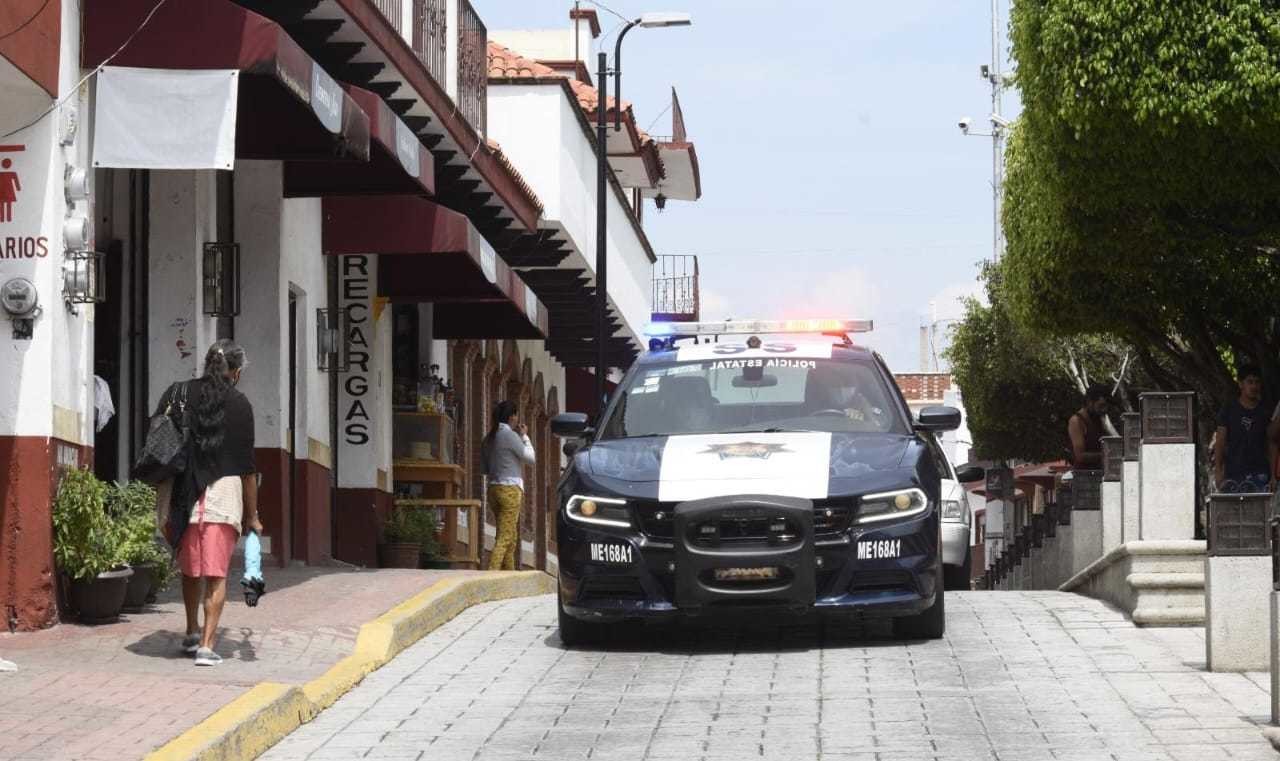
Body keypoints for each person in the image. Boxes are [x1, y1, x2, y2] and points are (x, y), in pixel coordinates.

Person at [162, 340, 261, 666]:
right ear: (235, 372)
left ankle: (191, 631)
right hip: (223, 497)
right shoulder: (240, 404)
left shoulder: (182, 393)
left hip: (185, 496)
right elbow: (247, 469)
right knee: (216, 576)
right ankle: (206, 646)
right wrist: (253, 516)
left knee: (190, 571)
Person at [481, 400, 535, 571]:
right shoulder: (510, 435)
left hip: (493, 489)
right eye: (516, 414)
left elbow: (484, 468)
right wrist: (525, 436)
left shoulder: (489, 438)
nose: (517, 418)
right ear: (512, 416)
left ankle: (509, 573)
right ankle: (492, 573)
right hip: (510, 490)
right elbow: (530, 458)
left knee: (511, 536)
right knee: (505, 537)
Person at [1216, 364, 1270, 493]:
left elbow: (1271, 444)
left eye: (1257, 382)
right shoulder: (1229, 409)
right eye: (1249, 382)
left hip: (1260, 474)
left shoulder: (1265, 411)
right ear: (1240, 384)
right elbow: (1220, 441)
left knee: (1259, 512)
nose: (1254, 386)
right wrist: (1218, 471)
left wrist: (1273, 476)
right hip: (1233, 474)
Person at [1068, 384, 1110, 468]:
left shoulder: (1099, 419)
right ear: (1089, 402)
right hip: (1084, 475)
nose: (1104, 410)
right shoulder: (1077, 421)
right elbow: (1080, 456)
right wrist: (1107, 455)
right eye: (1100, 406)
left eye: (1105, 406)